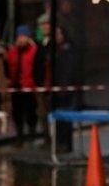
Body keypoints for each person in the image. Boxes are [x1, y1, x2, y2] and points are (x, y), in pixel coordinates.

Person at [34, 25, 80, 153]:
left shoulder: (68, 49)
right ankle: (57, 142)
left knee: (65, 118)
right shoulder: (48, 48)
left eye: (59, 34)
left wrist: (64, 87)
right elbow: (40, 65)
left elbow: (69, 70)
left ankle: (66, 144)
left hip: (65, 89)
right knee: (54, 117)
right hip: (51, 88)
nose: (57, 37)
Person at [6, 25, 39, 140]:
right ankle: (19, 135)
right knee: (17, 112)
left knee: (31, 111)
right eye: (20, 36)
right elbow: (9, 66)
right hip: (16, 85)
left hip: (29, 85)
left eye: (24, 36)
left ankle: (32, 133)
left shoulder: (33, 50)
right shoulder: (13, 51)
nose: (21, 39)